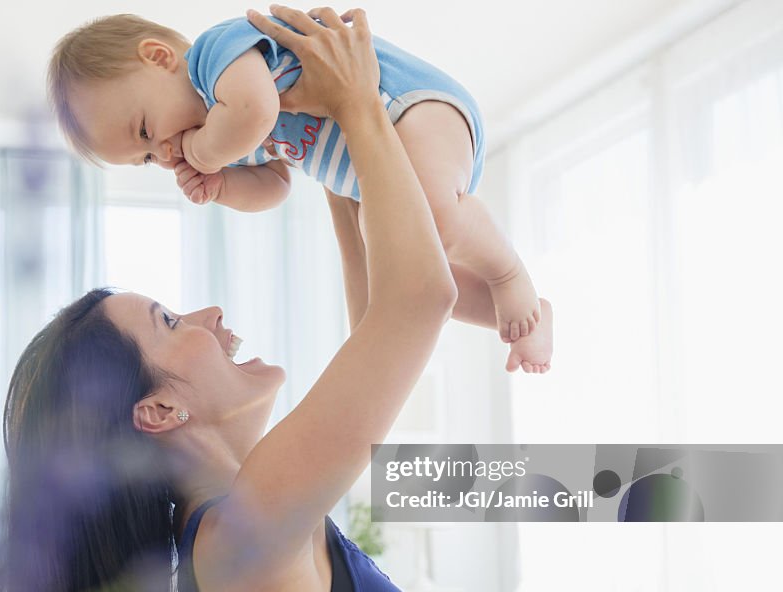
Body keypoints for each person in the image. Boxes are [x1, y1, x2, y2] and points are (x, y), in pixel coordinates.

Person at [0, 7, 496, 592]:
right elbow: (416, 301)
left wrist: (331, 161)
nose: (207, 315)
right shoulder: (242, 537)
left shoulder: (241, 523)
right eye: (170, 322)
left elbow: (382, 321)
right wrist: (356, 106)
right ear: (159, 411)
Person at [46, 7, 553, 373]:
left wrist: (205, 154)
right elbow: (275, 186)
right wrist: (224, 186)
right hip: (374, 166)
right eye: (147, 157)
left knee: (434, 220)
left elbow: (257, 111)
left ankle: (506, 273)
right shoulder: (223, 133)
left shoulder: (215, 57)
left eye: (144, 131)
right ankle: (514, 317)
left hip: (412, 110)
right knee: (398, 271)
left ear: (159, 57)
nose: (163, 151)